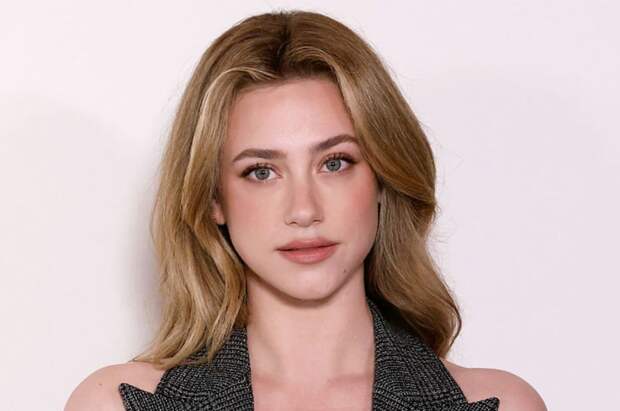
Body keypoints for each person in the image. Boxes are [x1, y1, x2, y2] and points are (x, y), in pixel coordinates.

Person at [66, 9, 547, 411]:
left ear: (383, 178)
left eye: (334, 163)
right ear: (213, 199)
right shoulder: (114, 404)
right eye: (261, 171)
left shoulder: (502, 404)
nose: (304, 210)